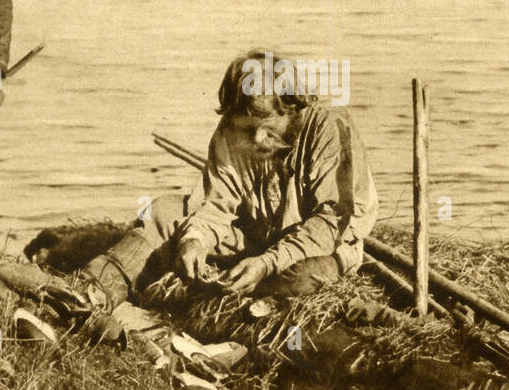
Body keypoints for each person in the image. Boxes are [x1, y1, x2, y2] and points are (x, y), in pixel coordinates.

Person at [84, 49, 379, 307]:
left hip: (318, 247)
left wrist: (267, 264)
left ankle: (229, 299)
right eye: (245, 127)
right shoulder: (230, 131)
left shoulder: (329, 127)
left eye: (265, 124)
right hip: (254, 235)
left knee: (306, 276)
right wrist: (195, 240)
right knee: (162, 211)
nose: (257, 138)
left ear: (291, 106)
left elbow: (329, 224)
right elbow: (215, 204)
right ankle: (91, 291)